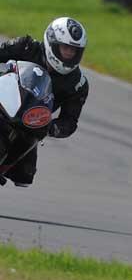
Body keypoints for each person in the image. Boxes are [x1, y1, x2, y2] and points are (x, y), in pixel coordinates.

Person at [0, 18, 89, 187]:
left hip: (30, 124)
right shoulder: (26, 46)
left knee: (24, 175)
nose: (70, 54)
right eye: (66, 48)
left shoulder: (78, 83)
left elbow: (70, 122)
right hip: (3, 101)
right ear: (52, 42)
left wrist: (51, 128)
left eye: (74, 51)